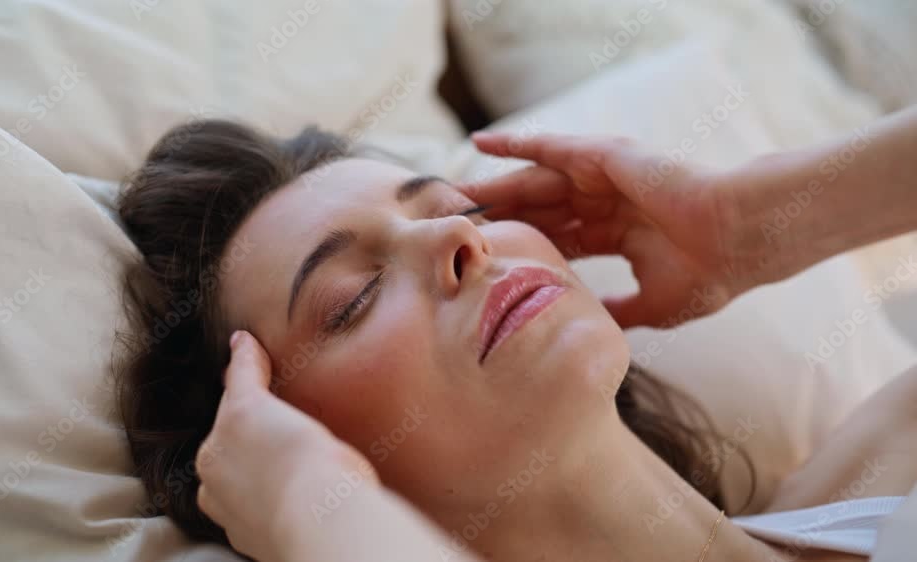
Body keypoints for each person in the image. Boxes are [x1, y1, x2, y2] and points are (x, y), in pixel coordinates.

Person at [113, 105, 916, 562]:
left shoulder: (883, 471)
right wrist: (307, 499)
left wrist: (747, 223)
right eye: (352, 300)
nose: (458, 238)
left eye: (463, 210)